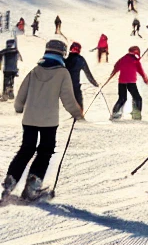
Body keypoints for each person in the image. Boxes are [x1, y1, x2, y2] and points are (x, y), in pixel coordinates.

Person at [3, 40, 83, 201]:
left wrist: (19, 108)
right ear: (62, 54)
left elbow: (21, 95)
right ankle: (32, 188)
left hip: (29, 119)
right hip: (49, 122)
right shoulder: (62, 73)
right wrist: (77, 113)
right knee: (45, 151)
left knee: (26, 150)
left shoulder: (34, 71)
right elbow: (67, 98)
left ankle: (10, 182)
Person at [111, 45, 148, 120]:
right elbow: (140, 70)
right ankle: (136, 114)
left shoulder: (123, 58)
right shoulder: (135, 60)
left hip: (121, 82)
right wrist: (145, 78)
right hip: (131, 82)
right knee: (137, 98)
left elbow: (116, 66)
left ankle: (115, 113)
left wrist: (113, 72)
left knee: (122, 98)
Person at [65, 42, 99, 110]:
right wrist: (95, 83)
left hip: (65, 86)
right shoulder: (80, 60)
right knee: (78, 103)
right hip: (75, 86)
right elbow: (88, 73)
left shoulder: (65, 60)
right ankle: (79, 116)